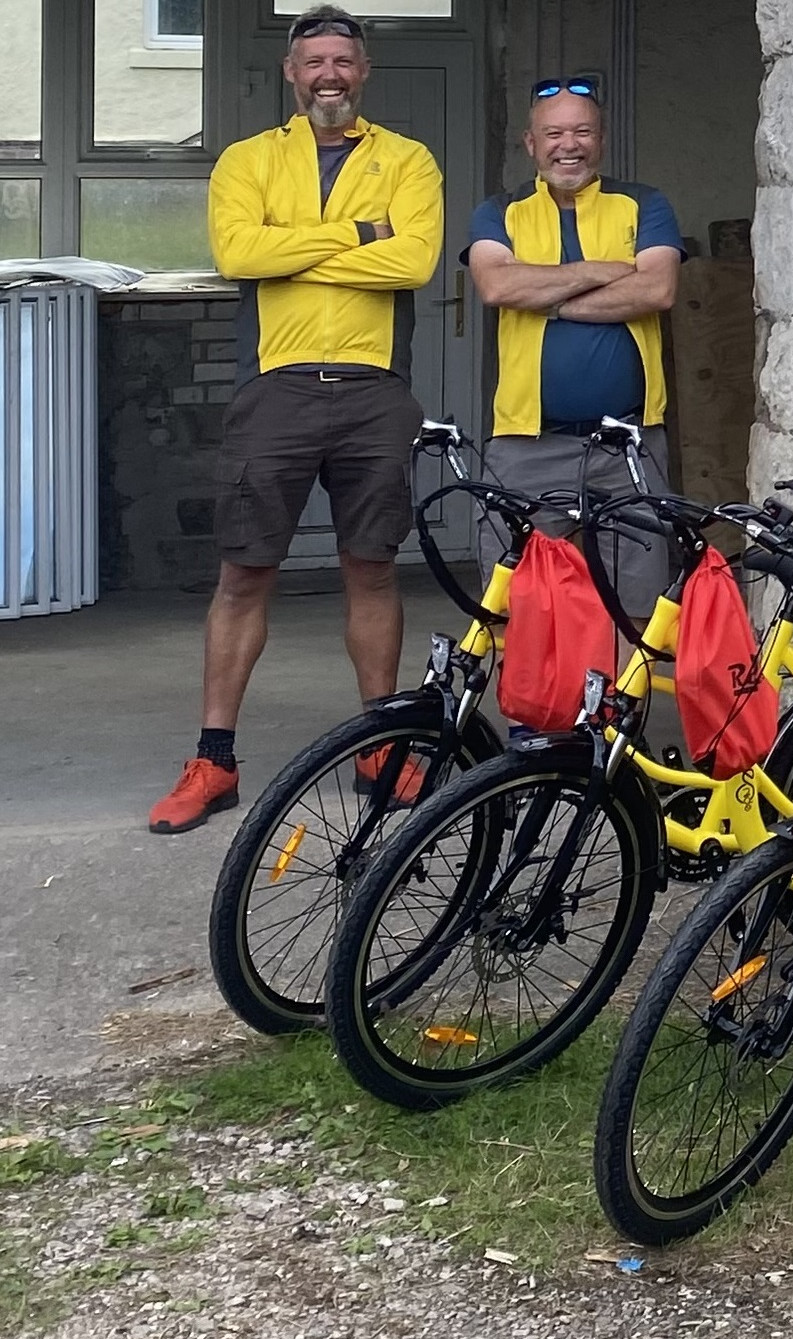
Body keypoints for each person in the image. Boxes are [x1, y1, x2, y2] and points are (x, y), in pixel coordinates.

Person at [151, 5, 443, 833]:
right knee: (244, 574)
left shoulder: (408, 159)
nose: (329, 74)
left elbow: (414, 260)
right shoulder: (248, 159)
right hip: (275, 386)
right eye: (314, 61)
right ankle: (214, 760)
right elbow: (239, 254)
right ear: (291, 73)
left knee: (371, 569)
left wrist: (296, 244)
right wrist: (358, 233)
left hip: (374, 387)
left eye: (342, 60)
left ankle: (379, 747)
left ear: (364, 71)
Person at [463, 79, 684, 622]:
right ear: (530, 143)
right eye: (554, 133)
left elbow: (657, 290)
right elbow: (497, 286)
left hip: (632, 440)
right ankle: (534, 685)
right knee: (515, 599)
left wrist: (548, 301)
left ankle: (617, 684)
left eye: (582, 131)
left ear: (601, 140)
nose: (569, 145)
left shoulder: (644, 203)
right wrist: (601, 272)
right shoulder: (499, 211)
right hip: (528, 442)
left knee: (638, 606)